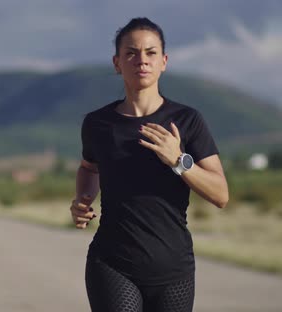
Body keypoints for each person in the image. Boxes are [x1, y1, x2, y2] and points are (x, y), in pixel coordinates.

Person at [70, 17, 229, 312]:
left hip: (173, 270)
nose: (141, 60)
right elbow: (89, 167)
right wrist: (82, 198)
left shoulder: (186, 120)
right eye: (131, 53)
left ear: (164, 61)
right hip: (112, 263)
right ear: (117, 63)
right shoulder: (98, 123)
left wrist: (178, 161)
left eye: (151, 52)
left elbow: (221, 195)